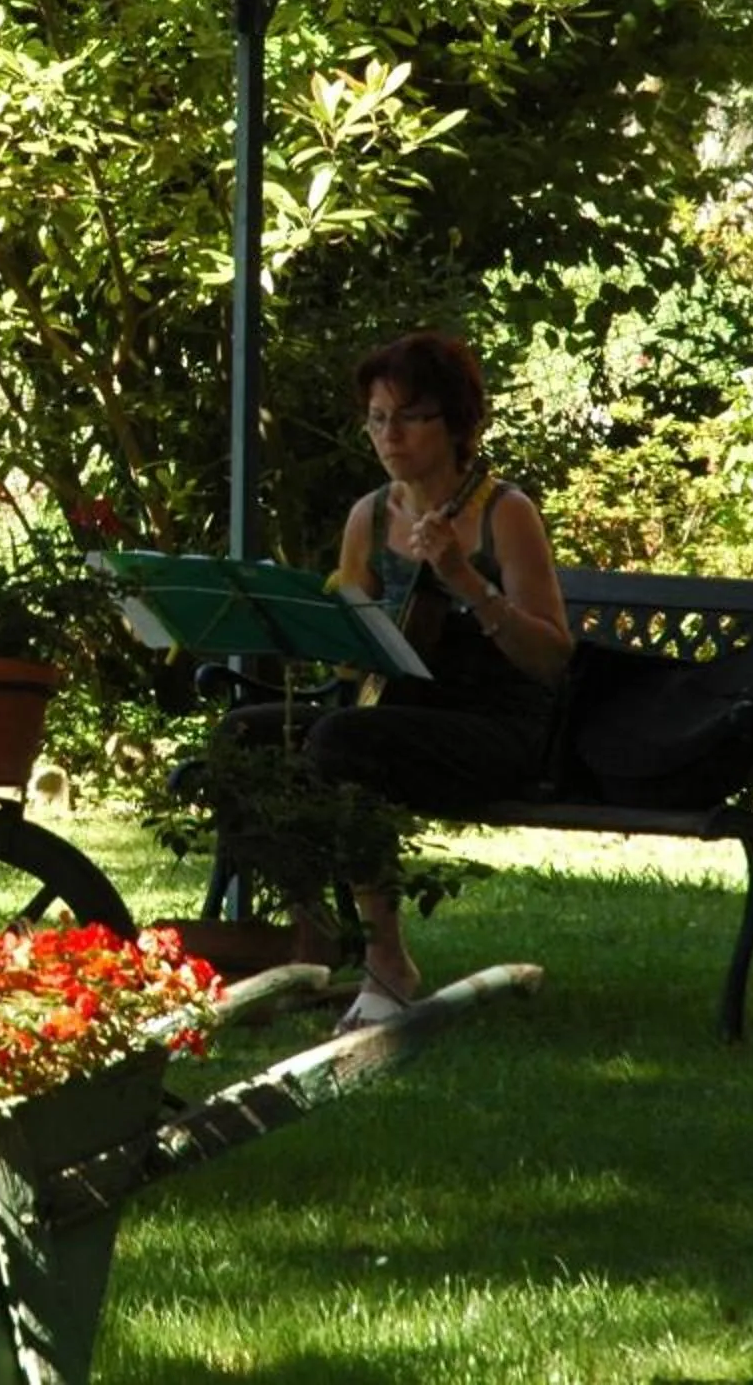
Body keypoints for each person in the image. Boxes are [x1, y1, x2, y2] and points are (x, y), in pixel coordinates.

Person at [304, 329, 571, 1026]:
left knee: (340, 743)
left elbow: (552, 659)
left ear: (455, 423)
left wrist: (463, 580)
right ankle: (306, 944)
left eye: (409, 416)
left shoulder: (503, 513)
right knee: (244, 742)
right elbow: (355, 648)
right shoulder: (369, 514)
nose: (389, 435)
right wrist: (338, 641)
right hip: (396, 714)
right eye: (377, 417)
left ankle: (387, 960)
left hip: (500, 729)